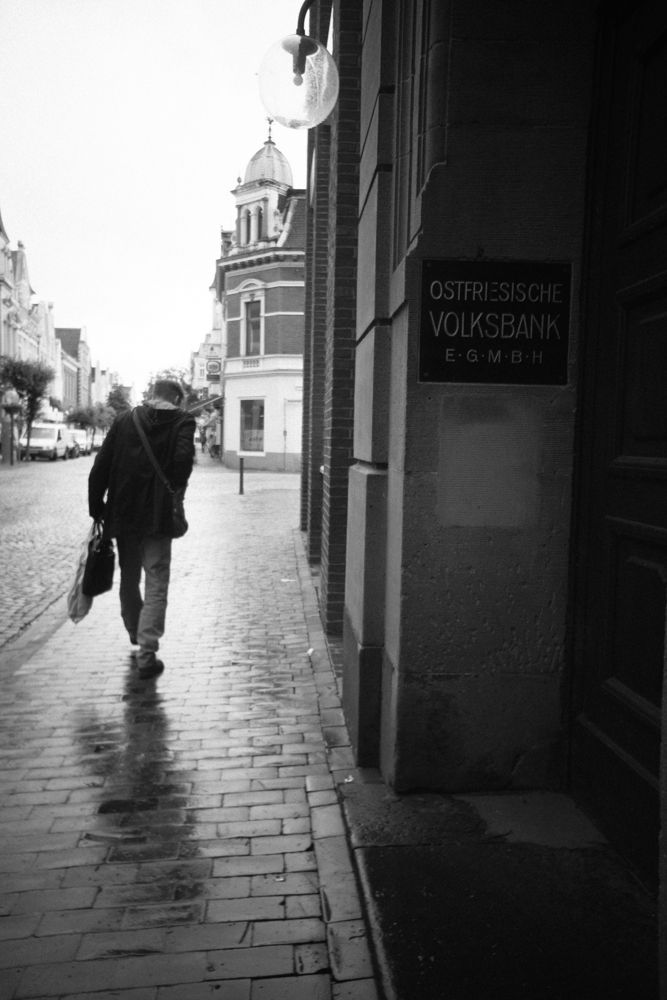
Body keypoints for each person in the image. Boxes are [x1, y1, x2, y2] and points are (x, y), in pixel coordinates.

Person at [88, 379, 196, 679]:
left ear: (152, 395)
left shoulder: (125, 420)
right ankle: (147, 653)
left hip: (123, 512)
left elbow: (101, 465)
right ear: (176, 398)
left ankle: (135, 631)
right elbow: (183, 462)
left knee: (129, 576)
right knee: (156, 580)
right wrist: (173, 490)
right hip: (158, 516)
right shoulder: (183, 421)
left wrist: (97, 506)